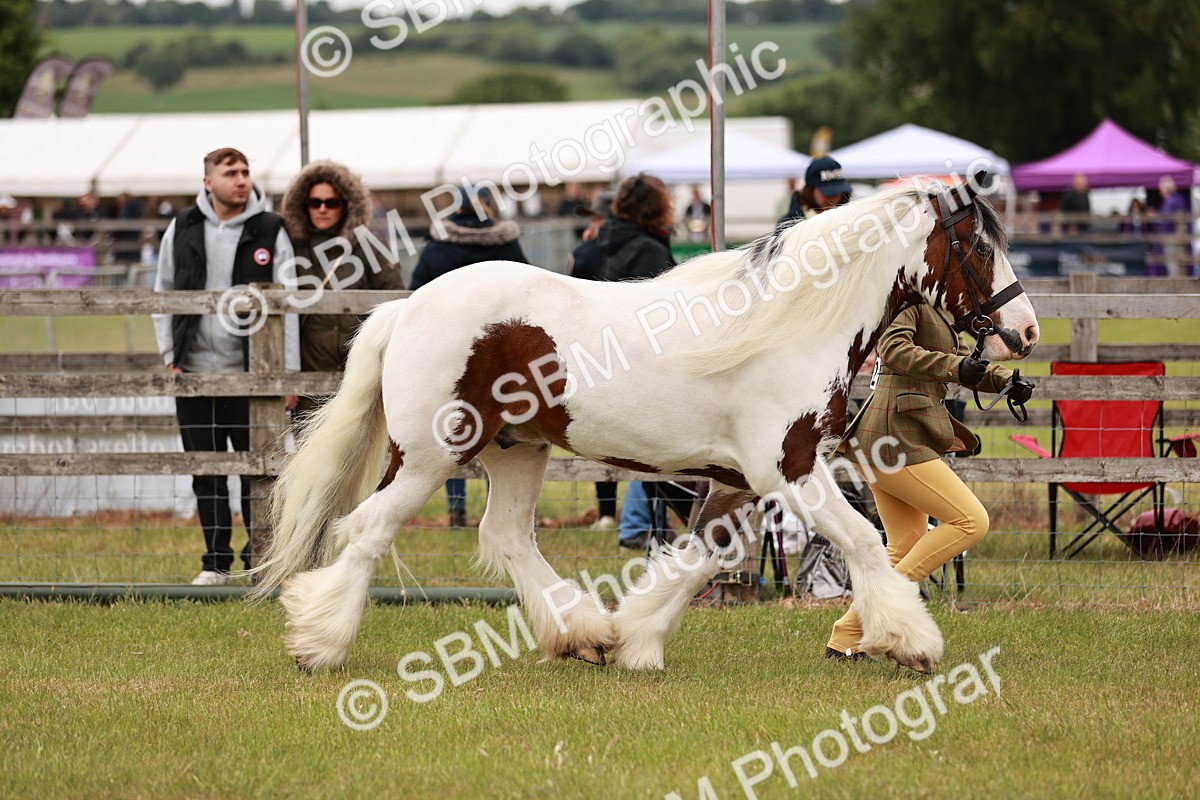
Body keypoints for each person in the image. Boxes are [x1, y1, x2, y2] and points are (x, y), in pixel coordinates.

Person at [826, 303, 1034, 664]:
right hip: (895, 435)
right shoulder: (907, 302)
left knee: (905, 546)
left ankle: (846, 638)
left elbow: (958, 364)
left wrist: (1005, 380)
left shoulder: (936, 310)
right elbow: (893, 349)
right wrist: (956, 366)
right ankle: (888, 610)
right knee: (971, 521)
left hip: (892, 436)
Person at [153, 147, 299, 586]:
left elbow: (288, 301)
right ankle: (215, 563)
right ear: (207, 181)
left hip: (252, 373)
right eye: (230, 172)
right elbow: (161, 290)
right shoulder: (182, 227)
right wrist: (169, 356)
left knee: (260, 471)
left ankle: (262, 561)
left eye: (245, 171)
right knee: (207, 469)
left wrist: (285, 373)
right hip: (194, 373)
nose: (241, 179)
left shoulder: (271, 229)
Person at [410, 185, 528, 528]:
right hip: (502, 356)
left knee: (454, 430)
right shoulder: (507, 244)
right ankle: (499, 509)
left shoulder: (438, 248)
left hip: (452, 355)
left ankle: (457, 507)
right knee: (502, 430)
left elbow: (417, 294)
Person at [279, 160, 405, 422]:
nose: (322, 209)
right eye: (315, 203)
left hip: (361, 379)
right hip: (308, 383)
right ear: (303, 205)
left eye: (331, 202)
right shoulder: (289, 248)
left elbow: (395, 304)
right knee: (311, 458)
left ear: (347, 204)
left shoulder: (371, 246)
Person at [598, 172, 683, 549]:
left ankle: (638, 527)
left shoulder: (595, 246)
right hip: (642, 365)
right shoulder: (649, 251)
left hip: (597, 362)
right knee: (664, 455)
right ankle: (654, 529)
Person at [568, 190, 619, 529]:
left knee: (599, 429)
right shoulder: (637, 248)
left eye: (595, 218)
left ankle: (606, 512)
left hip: (590, 346)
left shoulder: (584, 253)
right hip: (630, 345)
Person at [777, 156, 852, 229]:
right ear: (810, 190)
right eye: (828, 192)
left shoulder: (849, 221)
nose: (833, 196)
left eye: (838, 190)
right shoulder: (787, 226)